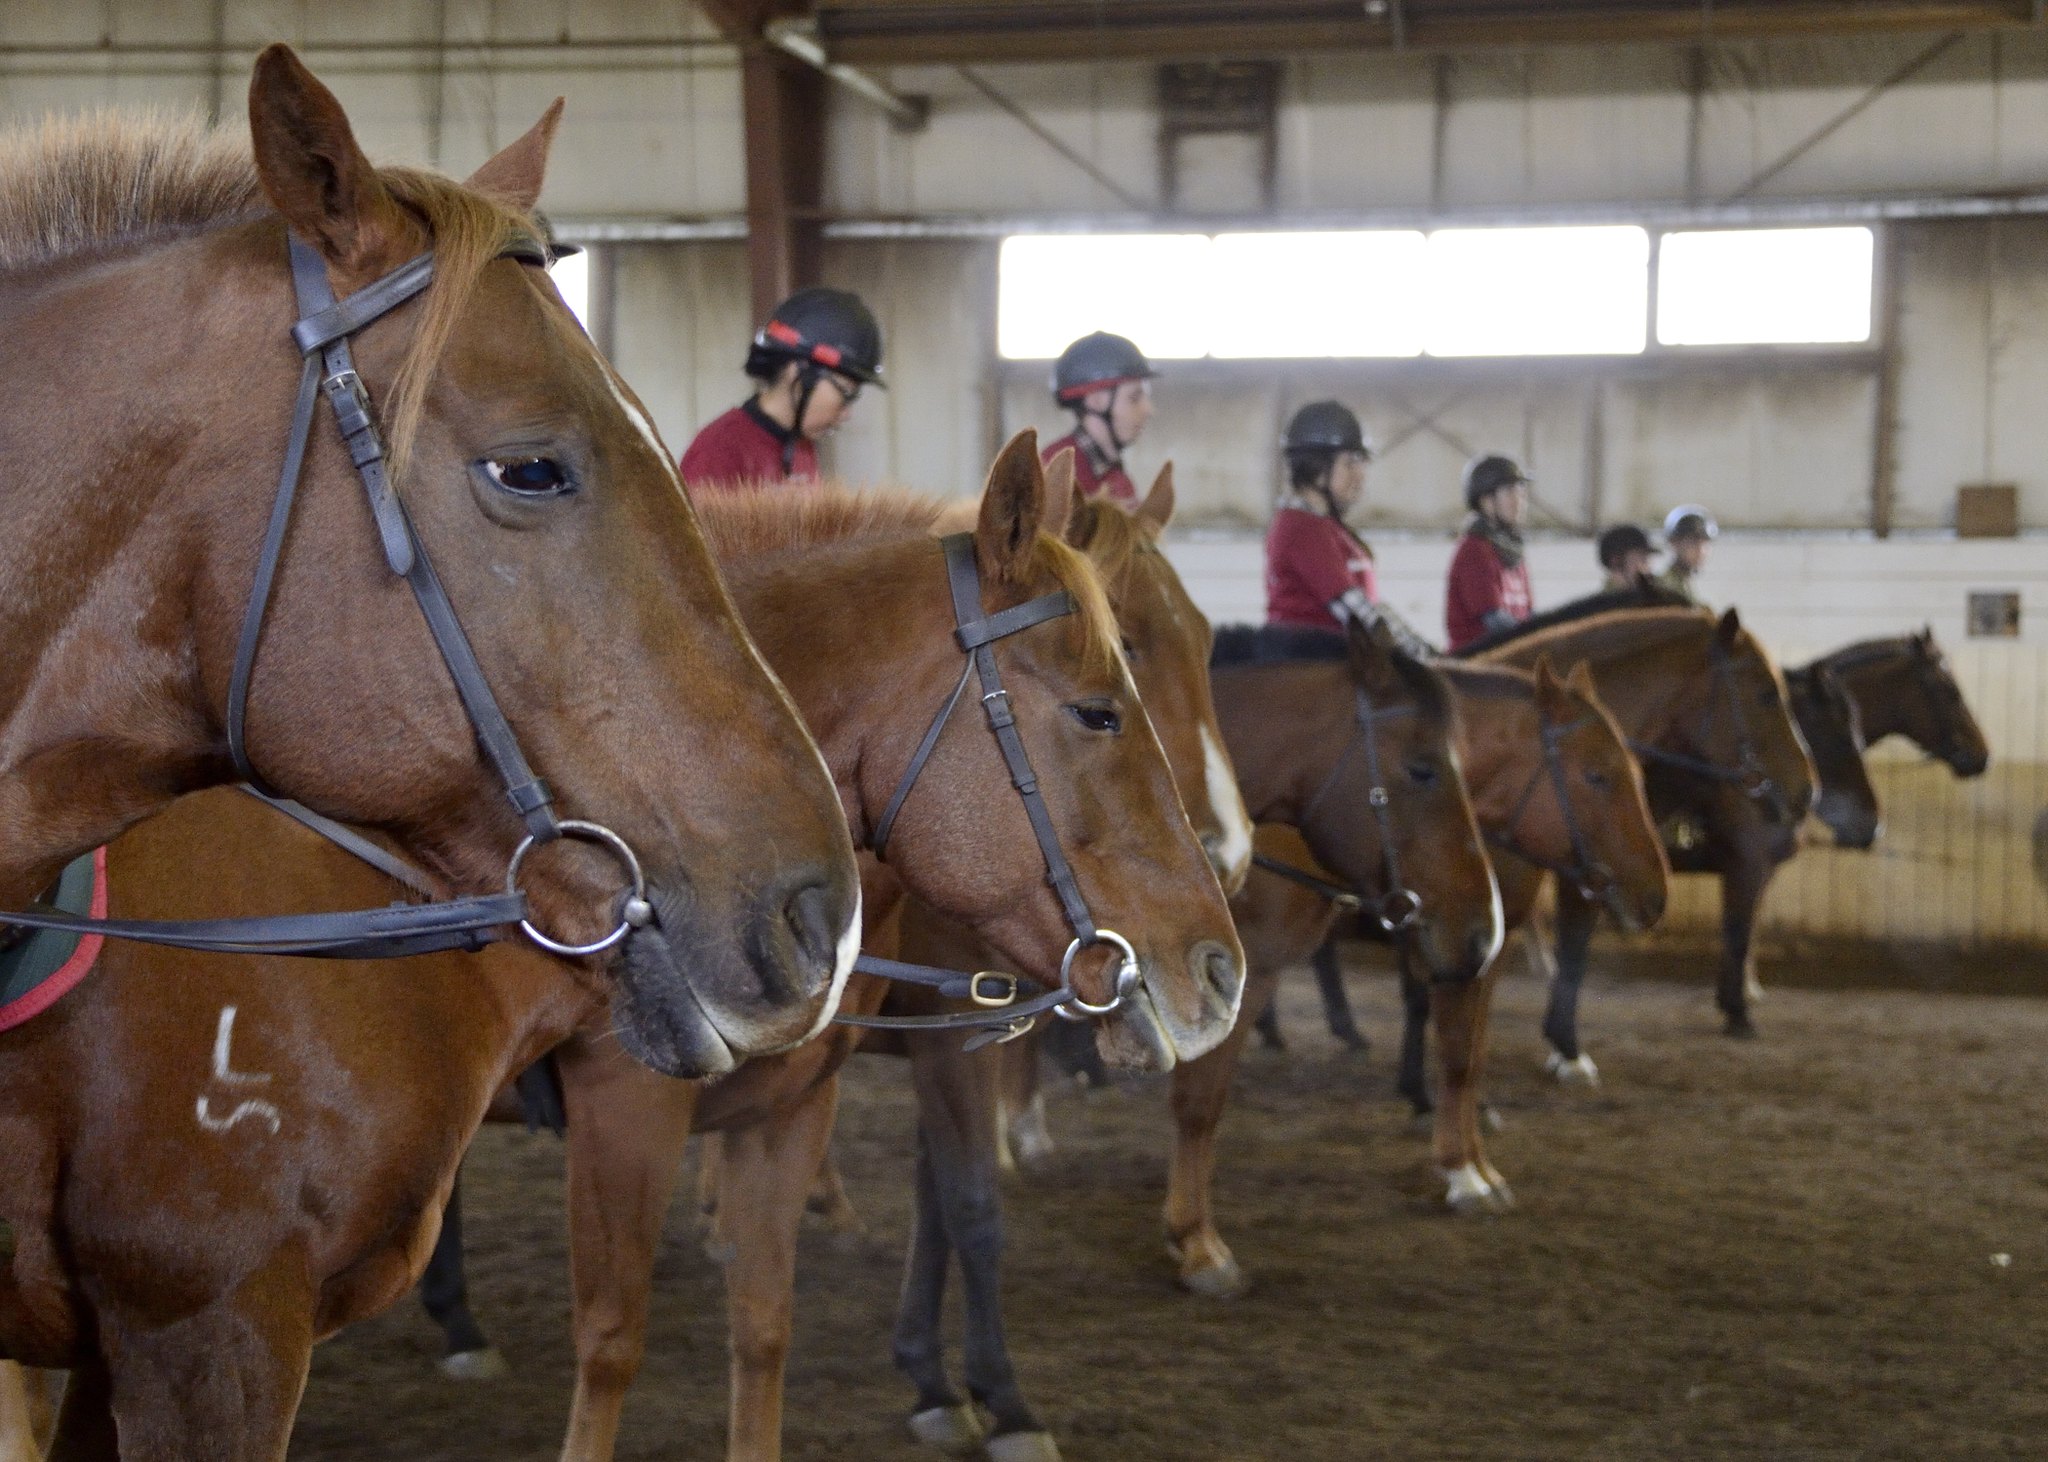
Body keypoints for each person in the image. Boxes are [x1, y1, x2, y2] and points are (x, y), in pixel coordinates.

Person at [1264, 401, 1433, 656]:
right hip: (1307, 664)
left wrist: (1423, 648)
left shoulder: (1328, 527)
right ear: (1317, 467)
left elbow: (1370, 606)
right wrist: (1423, 658)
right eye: (1350, 462)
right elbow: (1356, 612)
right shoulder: (1302, 527)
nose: (1361, 474)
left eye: (1361, 463)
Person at [678, 287, 884, 493]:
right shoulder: (718, 450)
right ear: (798, 371)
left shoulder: (801, 446)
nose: (846, 413)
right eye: (845, 391)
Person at [1042, 331, 1156, 506]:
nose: (1148, 410)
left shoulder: (1116, 478)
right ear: (1096, 400)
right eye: (1134, 397)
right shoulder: (1055, 473)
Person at [1444, 453, 1535, 651]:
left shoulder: (1513, 552)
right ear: (1486, 501)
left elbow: (1530, 615)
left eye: (1521, 492)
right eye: (1510, 492)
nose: (1519, 501)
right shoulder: (1474, 549)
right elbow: (1494, 620)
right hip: (1473, 666)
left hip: (1504, 661)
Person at [1658, 504, 1719, 605]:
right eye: (1693, 542)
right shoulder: (1663, 587)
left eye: (1705, 544)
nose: (1701, 551)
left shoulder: (1684, 585)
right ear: (1674, 543)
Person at [1596, 522, 1655, 592]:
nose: (1647, 567)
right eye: (1642, 559)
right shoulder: (1603, 602)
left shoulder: (1657, 596)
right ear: (1616, 562)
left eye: (1646, 559)